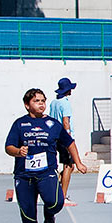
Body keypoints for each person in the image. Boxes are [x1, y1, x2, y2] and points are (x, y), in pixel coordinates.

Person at [4, 88, 87, 223]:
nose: (41, 104)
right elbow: (8, 147)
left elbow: (69, 143)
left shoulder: (53, 125)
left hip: (46, 172)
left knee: (56, 202)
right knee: (27, 213)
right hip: (24, 175)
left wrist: (78, 162)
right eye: (36, 101)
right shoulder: (19, 124)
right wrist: (19, 151)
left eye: (43, 100)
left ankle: (49, 214)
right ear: (27, 105)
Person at [48, 78, 78, 206]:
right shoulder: (65, 103)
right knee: (69, 165)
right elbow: (66, 121)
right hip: (63, 137)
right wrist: (68, 137)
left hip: (54, 135)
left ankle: (60, 183)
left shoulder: (53, 102)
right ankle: (63, 196)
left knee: (67, 165)